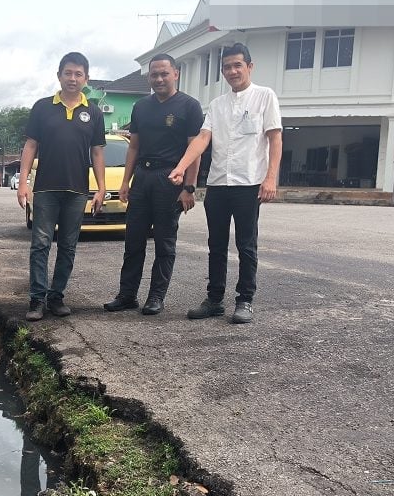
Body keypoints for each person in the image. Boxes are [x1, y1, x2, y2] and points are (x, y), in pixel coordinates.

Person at [169, 42, 282, 324]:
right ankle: (215, 299)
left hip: (248, 184)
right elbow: (203, 138)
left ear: (249, 67)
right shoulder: (218, 105)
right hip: (218, 184)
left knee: (246, 245)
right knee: (216, 244)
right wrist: (181, 167)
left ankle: (245, 300)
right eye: (227, 67)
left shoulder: (265, 97)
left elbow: (275, 138)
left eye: (237, 65)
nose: (232, 71)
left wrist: (270, 178)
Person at [103, 54, 203, 316]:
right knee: (133, 240)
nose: (159, 79)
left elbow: (196, 150)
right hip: (142, 178)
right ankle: (127, 295)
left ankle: (156, 296)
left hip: (170, 179)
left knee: (164, 242)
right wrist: (125, 181)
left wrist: (189, 188)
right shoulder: (141, 107)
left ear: (176, 74)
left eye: (164, 74)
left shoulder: (189, 106)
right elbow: (133, 146)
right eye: (154, 74)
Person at [16, 52, 107, 321]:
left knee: (68, 246)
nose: (73, 78)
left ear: (86, 79)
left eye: (79, 74)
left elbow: (98, 152)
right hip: (45, 188)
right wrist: (23, 183)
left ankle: (56, 296)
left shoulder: (93, 112)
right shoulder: (43, 107)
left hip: (77, 190)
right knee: (40, 244)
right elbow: (30, 146)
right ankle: (37, 299)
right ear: (59, 75)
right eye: (68, 73)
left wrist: (100, 188)